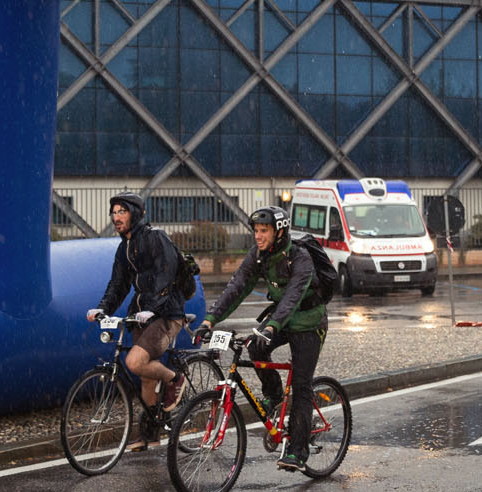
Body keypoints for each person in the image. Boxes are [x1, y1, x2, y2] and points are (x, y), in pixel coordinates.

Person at [196, 205, 327, 471]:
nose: (258, 236)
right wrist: (210, 319)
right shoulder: (258, 255)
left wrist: (272, 327)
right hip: (281, 319)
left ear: (279, 232)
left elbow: (292, 297)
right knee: (255, 348)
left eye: (264, 230)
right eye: (256, 230)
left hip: (309, 323)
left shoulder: (299, 257)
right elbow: (237, 287)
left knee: (301, 385)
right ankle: (275, 395)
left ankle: (297, 452)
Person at [87, 192, 189, 450]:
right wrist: (102, 309)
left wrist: (153, 308)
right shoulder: (124, 247)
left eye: (122, 212)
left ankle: (174, 379)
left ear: (135, 214)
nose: (116, 217)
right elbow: (118, 285)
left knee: (135, 362)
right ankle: (150, 434)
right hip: (141, 314)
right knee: (145, 378)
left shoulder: (156, 237)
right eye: (114, 213)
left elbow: (166, 275)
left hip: (167, 313)